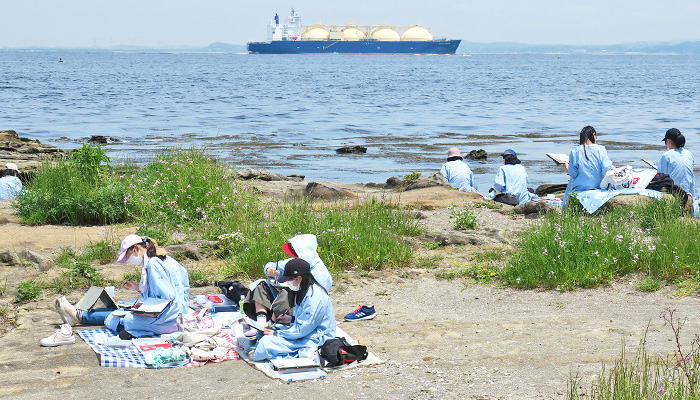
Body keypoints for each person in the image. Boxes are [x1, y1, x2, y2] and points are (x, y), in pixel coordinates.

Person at [55, 234, 190, 338]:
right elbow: (172, 289)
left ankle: (79, 316)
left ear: (136, 248)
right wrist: (139, 291)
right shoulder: (164, 259)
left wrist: (147, 312)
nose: (131, 259)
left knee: (123, 317)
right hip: (176, 314)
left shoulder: (153, 264)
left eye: (129, 255)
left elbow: (166, 298)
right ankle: (79, 315)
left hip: (168, 319)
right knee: (126, 309)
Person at [251, 258, 336, 361]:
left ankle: (262, 351)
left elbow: (303, 328)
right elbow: (304, 319)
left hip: (317, 337)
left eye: (289, 279)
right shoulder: (303, 291)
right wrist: (290, 319)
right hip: (304, 331)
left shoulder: (315, 297)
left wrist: (278, 334)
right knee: (270, 330)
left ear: (299, 278)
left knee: (267, 341)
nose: (287, 283)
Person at [242, 234, 331, 327]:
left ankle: (274, 323)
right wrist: (270, 270)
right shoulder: (295, 261)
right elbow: (271, 265)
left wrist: (288, 289)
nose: (295, 257)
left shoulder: (321, 273)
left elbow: (315, 297)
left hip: (299, 304)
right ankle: (261, 320)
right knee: (262, 285)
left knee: (286, 293)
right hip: (282, 294)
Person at [562, 126, 613, 204]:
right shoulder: (601, 149)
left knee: (571, 183)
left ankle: (565, 203)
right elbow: (606, 169)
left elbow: (573, 174)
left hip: (580, 187)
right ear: (594, 134)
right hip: (598, 186)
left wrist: (568, 167)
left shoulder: (575, 151)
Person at [656, 128, 695, 200]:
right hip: (690, 193)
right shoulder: (689, 153)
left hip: (675, 193)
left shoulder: (666, 155)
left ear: (668, 141)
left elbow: (661, 177)